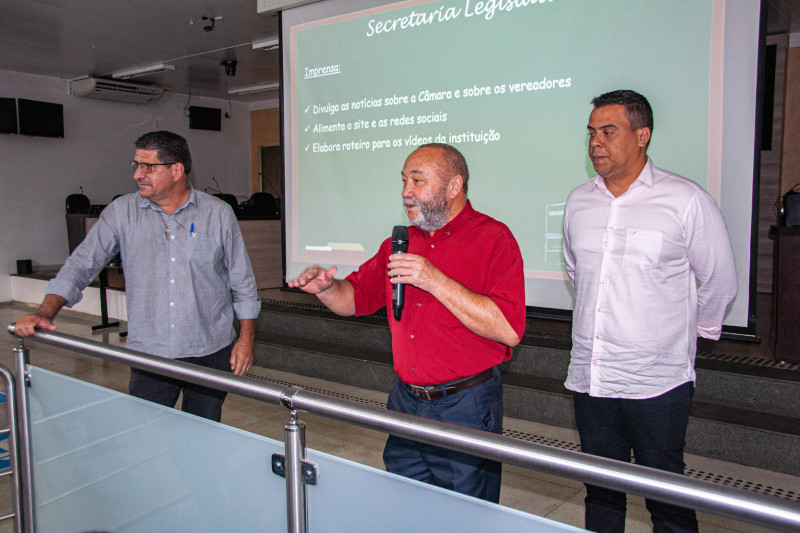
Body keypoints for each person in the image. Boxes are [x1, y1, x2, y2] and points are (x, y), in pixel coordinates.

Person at [289, 143, 526, 502]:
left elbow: (509, 329)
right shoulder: (398, 244)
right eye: (403, 180)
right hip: (406, 401)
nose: (405, 191)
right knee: (403, 504)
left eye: (418, 180)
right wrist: (326, 288)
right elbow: (354, 299)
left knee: (466, 515)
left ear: (454, 185)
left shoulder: (494, 239)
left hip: (466, 405)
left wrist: (433, 279)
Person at [562, 90, 738, 532]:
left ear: (642, 136)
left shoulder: (685, 200)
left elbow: (720, 281)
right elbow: (575, 269)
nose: (595, 143)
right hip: (592, 377)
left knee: (667, 497)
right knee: (601, 492)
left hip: (657, 382)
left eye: (608, 131)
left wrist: (687, 338)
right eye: (591, 133)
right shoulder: (579, 201)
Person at [14, 131, 261, 422]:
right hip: (150, 353)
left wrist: (246, 339)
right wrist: (46, 311)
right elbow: (81, 265)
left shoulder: (218, 214)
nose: (138, 175)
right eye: (136, 165)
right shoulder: (121, 213)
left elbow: (242, 281)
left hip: (208, 349)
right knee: (144, 435)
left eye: (148, 166)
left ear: (176, 169)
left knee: (204, 436)